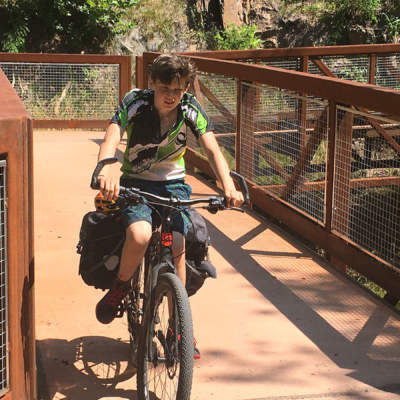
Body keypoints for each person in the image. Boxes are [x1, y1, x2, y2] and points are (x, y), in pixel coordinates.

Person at [95, 53, 243, 358]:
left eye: (178, 90)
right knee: (139, 235)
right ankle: (122, 287)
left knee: (178, 246)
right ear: (152, 83)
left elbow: (212, 148)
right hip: (136, 182)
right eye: (165, 89)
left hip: (173, 185)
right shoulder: (136, 101)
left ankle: (180, 327)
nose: (171, 97)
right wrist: (106, 166)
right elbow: (112, 135)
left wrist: (228, 185)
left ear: (186, 88)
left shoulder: (190, 108)